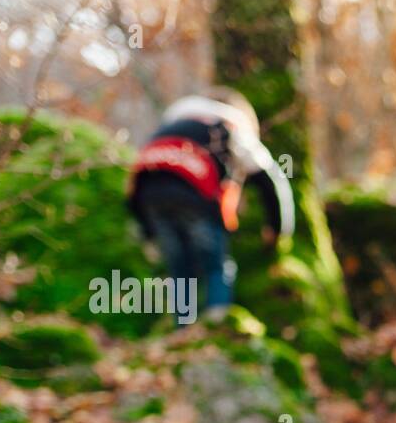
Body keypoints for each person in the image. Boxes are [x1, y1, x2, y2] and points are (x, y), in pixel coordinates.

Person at [126, 87, 294, 324]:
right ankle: (215, 325)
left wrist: (147, 232)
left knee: (180, 271)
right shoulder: (229, 126)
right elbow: (271, 179)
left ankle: (182, 330)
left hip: (149, 198)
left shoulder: (170, 126)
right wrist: (278, 229)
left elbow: (134, 185)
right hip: (195, 196)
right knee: (216, 266)